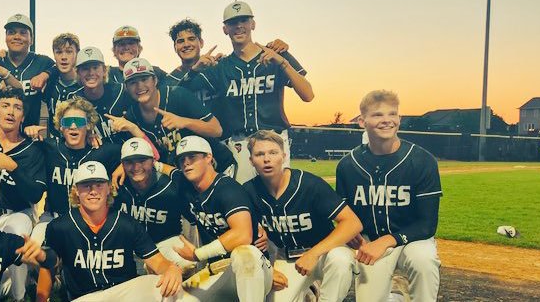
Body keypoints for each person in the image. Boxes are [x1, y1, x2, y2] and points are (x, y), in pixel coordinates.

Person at [336, 90, 442, 301]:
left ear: (399, 119)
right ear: (361, 121)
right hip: (370, 242)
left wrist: (387, 240)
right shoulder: (348, 165)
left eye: (392, 114)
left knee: (424, 261)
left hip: (413, 239)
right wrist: (349, 232)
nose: (387, 120)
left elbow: (428, 224)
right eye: (377, 115)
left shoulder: (422, 160)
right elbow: (343, 214)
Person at [195, 1, 314, 184]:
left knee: (278, 195)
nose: (239, 26)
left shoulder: (275, 55)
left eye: (244, 20)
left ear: (253, 24)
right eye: (232, 22)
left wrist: (283, 63)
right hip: (239, 144)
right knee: (242, 196)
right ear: (225, 29)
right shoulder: (221, 67)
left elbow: (308, 95)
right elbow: (181, 91)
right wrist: (195, 69)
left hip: (274, 139)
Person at [40, 161, 187, 301]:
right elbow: (47, 267)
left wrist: (171, 268)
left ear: (109, 188)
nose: (93, 191)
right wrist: (41, 299)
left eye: (99, 185)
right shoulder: (59, 227)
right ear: (76, 191)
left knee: (160, 285)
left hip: (124, 295)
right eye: (86, 186)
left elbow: (157, 261)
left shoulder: (127, 224)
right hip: (84, 297)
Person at [243, 130, 362, 302]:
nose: (267, 159)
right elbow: (241, 231)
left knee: (341, 259)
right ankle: (311, 292)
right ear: (251, 160)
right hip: (288, 259)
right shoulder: (249, 191)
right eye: (259, 154)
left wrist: (313, 253)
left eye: (273, 153)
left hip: (324, 254)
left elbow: (353, 223)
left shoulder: (309, 184)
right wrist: (267, 268)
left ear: (283, 156)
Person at [169, 135, 272, 301]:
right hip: (214, 270)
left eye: (192, 157)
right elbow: (167, 171)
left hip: (255, 268)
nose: (186, 163)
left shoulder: (228, 189)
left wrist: (197, 254)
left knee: (245, 254)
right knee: (178, 296)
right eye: (182, 159)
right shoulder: (187, 189)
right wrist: (156, 164)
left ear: (208, 157)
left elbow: (242, 235)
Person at [0, 87, 48, 300]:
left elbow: (35, 194)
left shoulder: (32, 150)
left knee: (17, 234)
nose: (11, 112)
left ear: (23, 116)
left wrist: (13, 168)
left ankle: (19, 296)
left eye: (17, 108)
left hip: (17, 212)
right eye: (5, 106)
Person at [114, 136, 196, 272]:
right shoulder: (117, 185)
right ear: (122, 165)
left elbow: (194, 221)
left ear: (153, 161)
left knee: (187, 264)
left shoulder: (172, 187)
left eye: (142, 160)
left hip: (164, 243)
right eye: (129, 162)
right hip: (129, 248)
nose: (136, 167)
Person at [0, 14, 53, 125]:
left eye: (23, 33)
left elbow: (60, 69)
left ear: (31, 40)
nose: (17, 37)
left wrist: (46, 74)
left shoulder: (43, 62)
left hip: (30, 132)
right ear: (6, 37)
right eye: (11, 32)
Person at [33, 33, 83, 140]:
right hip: (55, 144)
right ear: (54, 54)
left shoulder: (85, 84)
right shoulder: (49, 83)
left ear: (77, 54)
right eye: (59, 52)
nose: (63, 57)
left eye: (69, 52)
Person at [105, 26, 170, 84]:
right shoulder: (107, 74)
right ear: (114, 50)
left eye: (131, 43)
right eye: (122, 44)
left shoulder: (154, 72)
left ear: (139, 48)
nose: (126, 48)